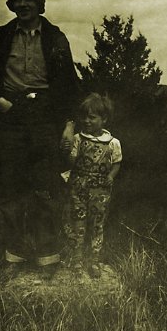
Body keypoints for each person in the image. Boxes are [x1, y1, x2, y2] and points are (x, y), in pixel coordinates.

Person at [0, 0, 80, 278]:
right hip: (9, 118)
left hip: (45, 117)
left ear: (39, 5)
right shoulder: (2, 35)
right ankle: (14, 258)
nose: (22, 5)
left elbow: (71, 86)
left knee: (46, 188)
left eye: (28, 1)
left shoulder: (56, 38)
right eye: (17, 1)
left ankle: (48, 258)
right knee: (11, 188)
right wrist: (0, 101)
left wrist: (69, 125)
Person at [62, 93, 122, 278]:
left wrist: (111, 176)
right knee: (78, 224)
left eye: (92, 117)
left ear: (104, 118)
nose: (87, 121)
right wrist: (69, 150)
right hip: (78, 187)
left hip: (101, 190)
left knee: (97, 225)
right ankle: (77, 260)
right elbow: (71, 161)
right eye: (84, 117)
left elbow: (117, 162)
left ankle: (94, 261)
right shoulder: (79, 138)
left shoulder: (113, 143)